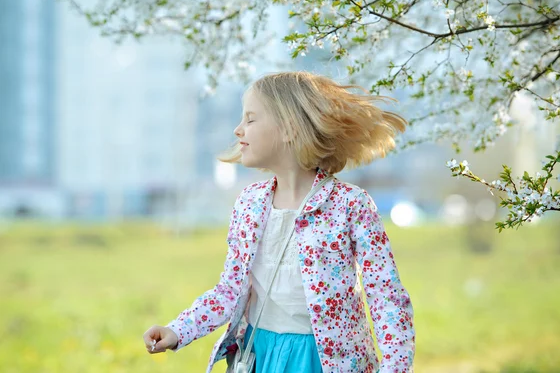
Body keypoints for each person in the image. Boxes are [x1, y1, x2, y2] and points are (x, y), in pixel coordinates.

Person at [142, 71, 415, 373]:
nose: (237, 130)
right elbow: (229, 291)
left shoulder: (350, 205)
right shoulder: (249, 203)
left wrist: (394, 368)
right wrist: (179, 330)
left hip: (326, 361)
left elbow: (386, 297)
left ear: (288, 128)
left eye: (250, 119)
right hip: (262, 355)